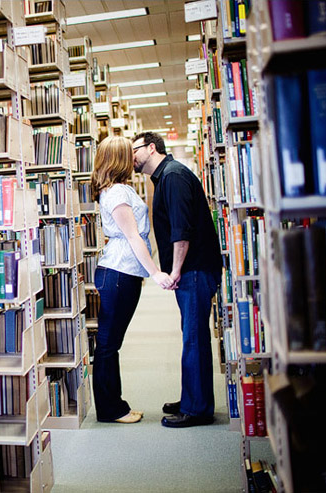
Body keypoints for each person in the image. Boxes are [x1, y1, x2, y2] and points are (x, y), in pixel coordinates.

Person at [132, 131, 223, 428]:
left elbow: (182, 231)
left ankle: (197, 410)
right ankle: (192, 399)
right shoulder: (166, 176)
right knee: (191, 336)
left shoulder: (173, 176)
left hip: (194, 270)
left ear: (151, 147)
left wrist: (175, 270)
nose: (131, 156)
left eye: (135, 149)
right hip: (192, 271)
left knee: (194, 338)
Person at [91, 136, 175, 424]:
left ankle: (116, 404)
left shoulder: (119, 189)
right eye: (129, 153)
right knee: (108, 345)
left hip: (122, 272)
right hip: (118, 272)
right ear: (119, 159)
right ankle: (111, 410)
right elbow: (132, 237)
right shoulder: (116, 194)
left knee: (111, 344)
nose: (134, 158)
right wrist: (156, 273)